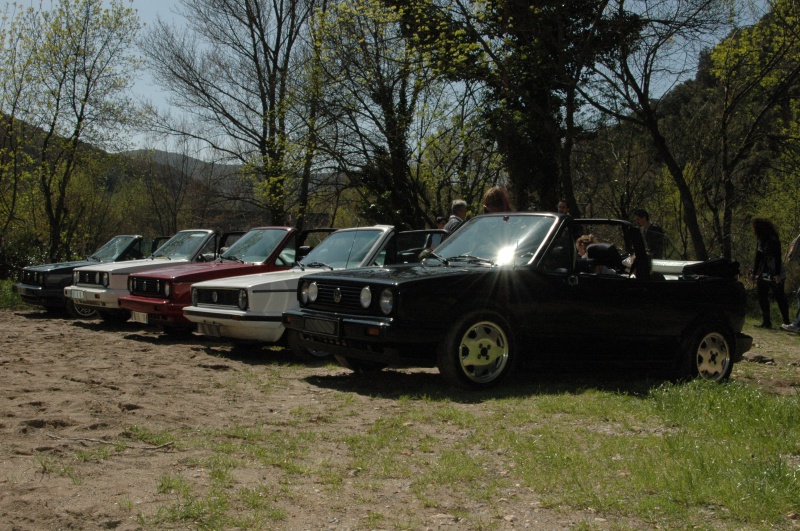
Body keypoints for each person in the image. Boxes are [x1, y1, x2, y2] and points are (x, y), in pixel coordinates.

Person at [750, 218, 790, 329]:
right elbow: (758, 256)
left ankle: (786, 322)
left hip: (774, 271)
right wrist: (754, 272)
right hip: (764, 271)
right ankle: (766, 321)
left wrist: (777, 274)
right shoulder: (760, 240)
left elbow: (778, 256)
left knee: (779, 296)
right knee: (762, 294)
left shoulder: (773, 239)